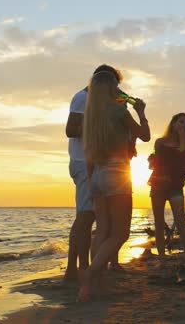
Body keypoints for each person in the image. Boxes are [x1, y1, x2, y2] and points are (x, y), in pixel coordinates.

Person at [78, 69, 150, 302]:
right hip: (117, 173)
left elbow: (89, 154)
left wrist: (91, 181)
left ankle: (96, 286)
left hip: (97, 174)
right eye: (116, 87)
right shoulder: (119, 111)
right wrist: (141, 112)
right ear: (110, 88)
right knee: (120, 234)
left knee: (102, 231)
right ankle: (89, 276)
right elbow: (145, 135)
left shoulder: (91, 116)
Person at [63, 65, 120, 280]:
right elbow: (70, 129)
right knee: (85, 217)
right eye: (113, 84)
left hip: (95, 163)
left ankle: (82, 268)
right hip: (81, 161)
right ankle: (76, 269)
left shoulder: (99, 101)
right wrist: (100, 128)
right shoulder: (82, 98)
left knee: (91, 216)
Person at [148, 113, 185, 270]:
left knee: (180, 222)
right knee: (159, 221)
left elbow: (182, 159)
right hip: (158, 185)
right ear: (173, 123)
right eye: (180, 121)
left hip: (175, 186)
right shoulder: (160, 142)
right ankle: (162, 260)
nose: (183, 125)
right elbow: (159, 161)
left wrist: (182, 139)